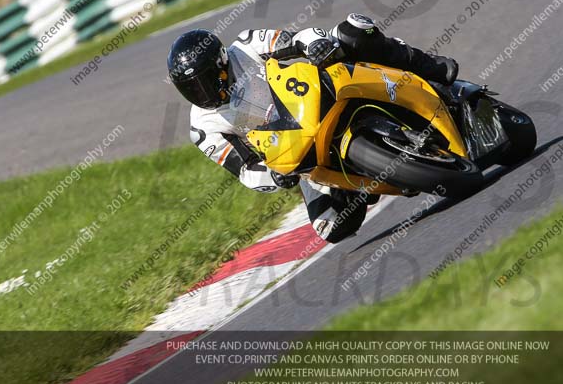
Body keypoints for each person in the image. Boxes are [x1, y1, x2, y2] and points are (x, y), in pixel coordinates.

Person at [167, 14, 459, 243]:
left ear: (221, 61)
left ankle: (428, 67)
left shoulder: (245, 46)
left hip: (316, 93)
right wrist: (273, 177)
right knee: (330, 227)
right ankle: (363, 176)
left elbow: (296, 38)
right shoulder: (202, 128)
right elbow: (245, 169)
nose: (200, 92)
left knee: (351, 32)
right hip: (299, 152)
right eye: (190, 88)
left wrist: (312, 44)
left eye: (204, 81)